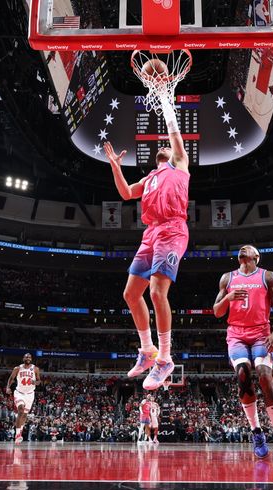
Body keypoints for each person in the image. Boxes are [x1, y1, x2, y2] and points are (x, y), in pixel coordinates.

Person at [104, 87, 190, 390]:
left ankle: (166, 358)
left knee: (156, 293)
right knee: (130, 294)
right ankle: (148, 350)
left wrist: (166, 100)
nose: (162, 149)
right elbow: (126, 193)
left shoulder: (179, 165)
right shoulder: (150, 178)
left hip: (173, 230)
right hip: (151, 233)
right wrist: (115, 167)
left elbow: (175, 135)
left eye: (166, 147)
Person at [214, 245, 273, 460]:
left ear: (257, 256)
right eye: (240, 249)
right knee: (243, 374)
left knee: (265, 375)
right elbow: (217, 312)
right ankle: (257, 433)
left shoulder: (267, 276)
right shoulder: (227, 278)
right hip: (236, 334)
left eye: (247, 249)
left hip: (261, 333)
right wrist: (228, 299)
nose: (242, 250)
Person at [6, 353, 40, 444]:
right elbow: (11, 378)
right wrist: (8, 387)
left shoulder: (35, 369)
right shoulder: (17, 368)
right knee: (20, 410)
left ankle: (20, 430)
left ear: (31, 359)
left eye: (29, 357)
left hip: (30, 394)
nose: (28, 358)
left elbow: (39, 381)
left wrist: (35, 382)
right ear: (23, 358)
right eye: (26, 357)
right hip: (19, 393)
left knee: (25, 414)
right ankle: (17, 434)